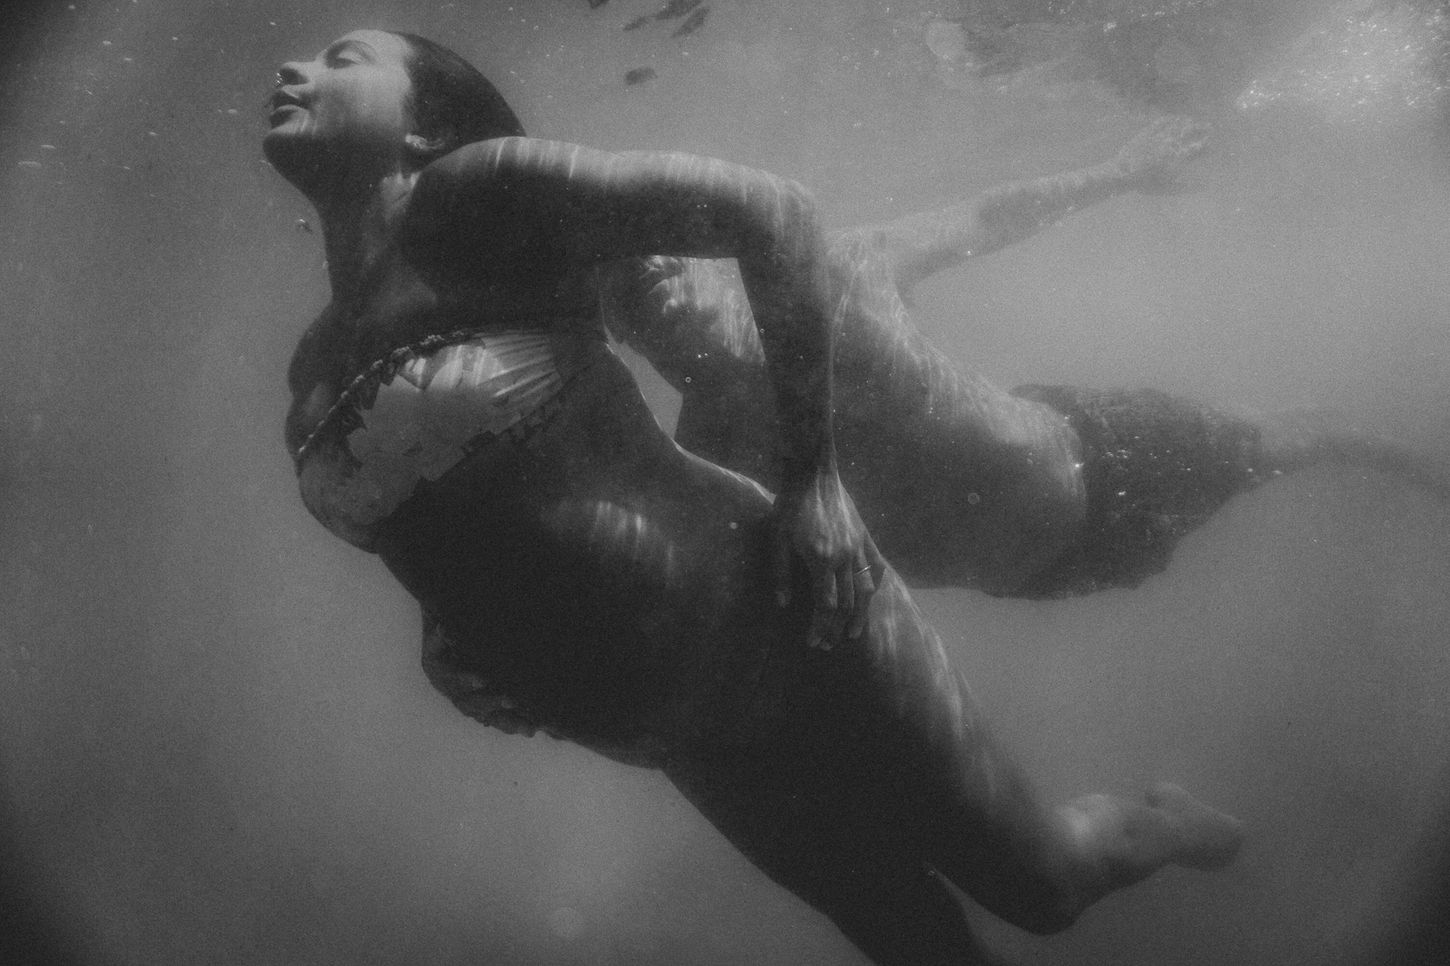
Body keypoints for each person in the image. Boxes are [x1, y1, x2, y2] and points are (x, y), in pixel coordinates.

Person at [268, 29, 1243, 965]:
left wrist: (816, 481)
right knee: (916, 945)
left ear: (427, 128)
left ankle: (1159, 825)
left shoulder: (478, 198)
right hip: (668, 731)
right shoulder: (310, 373)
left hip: (794, 625)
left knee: (1043, 891)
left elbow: (772, 210)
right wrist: (445, 633)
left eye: (341, 59)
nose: (293, 68)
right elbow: (441, 508)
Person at [601, 120, 1450, 597]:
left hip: (1098, 451)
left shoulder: (828, 272)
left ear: (701, 245)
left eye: (655, 246)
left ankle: (1392, 451)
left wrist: (1120, 172)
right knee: (1246, 481)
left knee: (1288, 444)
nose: (647, 272)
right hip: (1044, 574)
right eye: (621, 284)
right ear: (615, 332)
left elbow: (985, 218)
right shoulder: (705, 450)